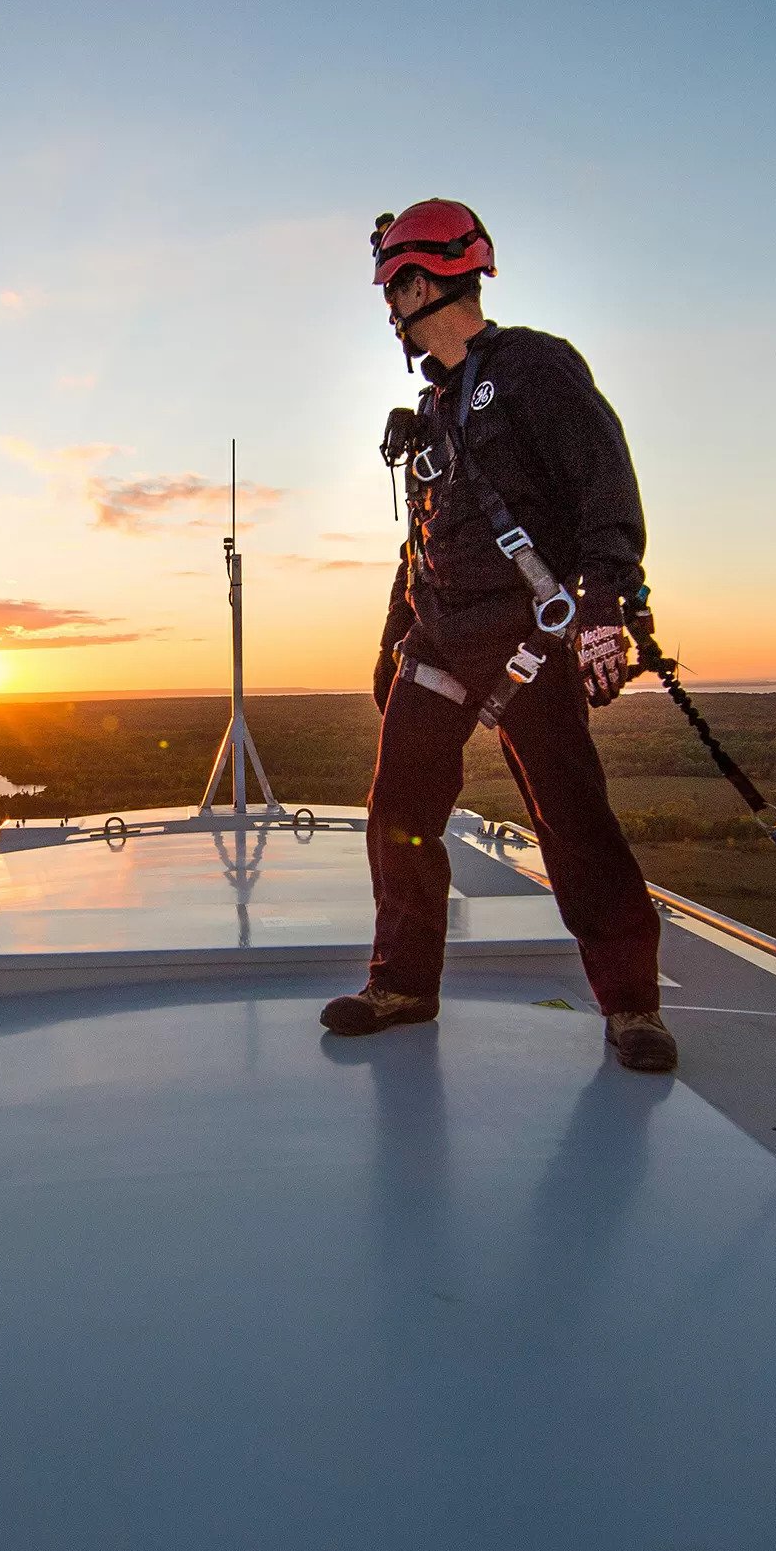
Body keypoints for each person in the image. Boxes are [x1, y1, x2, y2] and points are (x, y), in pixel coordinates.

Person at [319, 199, 677, 1075]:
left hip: (529, 638)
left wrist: (602, 606)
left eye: (390, 287)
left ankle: (631, 1003)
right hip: (440, 638)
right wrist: (391, 636)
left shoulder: (532, 370)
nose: (386, 308)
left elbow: (604, 484)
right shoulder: (437, 410)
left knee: (572, 819)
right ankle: (402, 984)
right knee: (400, 810)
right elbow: (424, 544)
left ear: (418, 280)